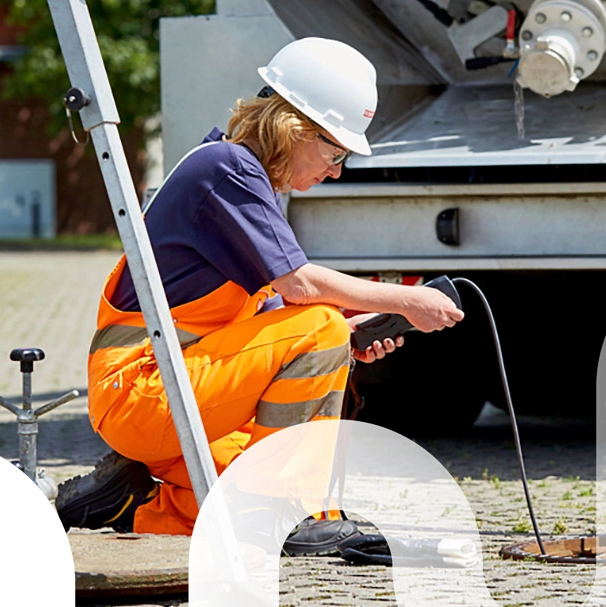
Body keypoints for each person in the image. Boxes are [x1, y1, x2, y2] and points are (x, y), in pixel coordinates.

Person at [54, 37, 464, 555]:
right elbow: (301, 287)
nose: (336, 170)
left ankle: (129, 505)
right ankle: (290, 512)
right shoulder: (228, 169)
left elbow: (274, 315)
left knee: (233, 486)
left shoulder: (240, 182)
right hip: (144, 392)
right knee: (321, 326)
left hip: (161, 399)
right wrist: (403, 302)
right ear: (293, 128)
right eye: (334, 151)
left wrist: (348, 341)